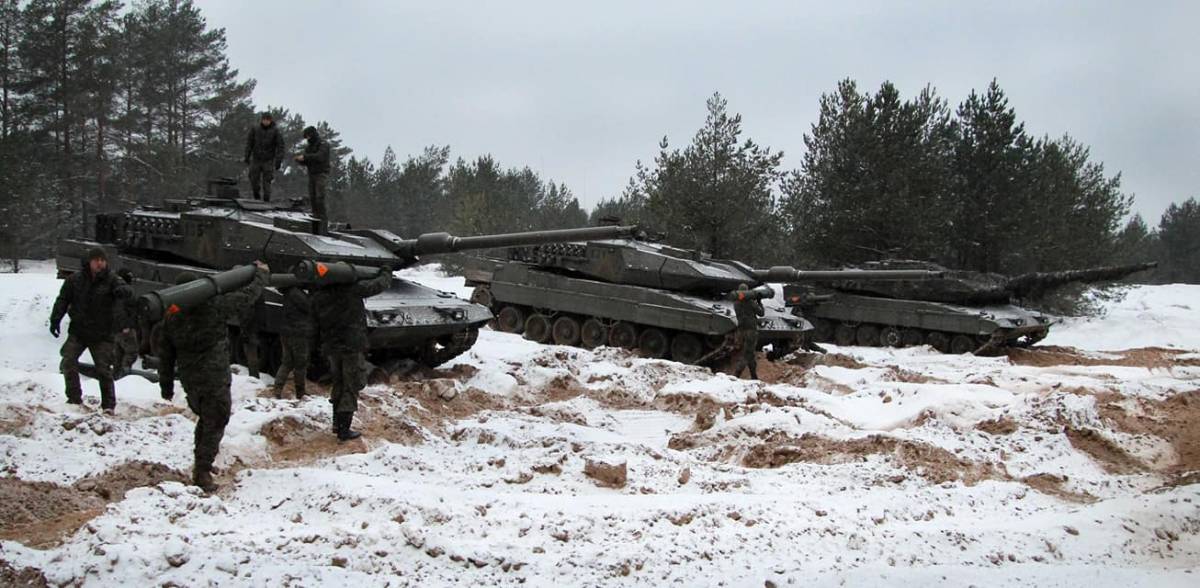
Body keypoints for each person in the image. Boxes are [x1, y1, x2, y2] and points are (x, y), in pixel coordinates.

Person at [158, 262, 269, 492]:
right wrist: (261, 277)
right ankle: (202, 469)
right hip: (213, 376)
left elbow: (165, 355)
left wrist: (166, 385)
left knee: (208, 418)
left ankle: (202, 462)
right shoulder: (212, 307)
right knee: (216, 418)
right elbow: (245, 298)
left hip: (191, 378)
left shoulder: (172, 318)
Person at [312, 266, 392, 441]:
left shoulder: (319, 296)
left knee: (339, 383)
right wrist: (386, 272)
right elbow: (377, 286)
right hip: (351, 346)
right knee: (352, 385)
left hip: (332, 347)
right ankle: (343, 430)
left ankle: (336, 423)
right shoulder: (351, 291)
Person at [49, 248, 133, 412]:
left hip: (102, 333)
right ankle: (73, 399)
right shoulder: (75, 280)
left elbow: (127, 290)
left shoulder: (112, 280)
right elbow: (63, 299)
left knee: (104, 370)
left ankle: (108, 405)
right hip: (79, 330)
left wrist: (123, 291)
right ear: (89, 261)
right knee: (68, 361)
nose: (100, 263)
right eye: (96, 260)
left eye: (103, 260)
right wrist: (55, 319)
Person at [272, 284, 312, 400]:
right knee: (300, 364)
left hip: (286, 331)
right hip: (298, 333)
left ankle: (277, 389)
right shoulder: (297, 293)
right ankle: (300, 392)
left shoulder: (287, 292)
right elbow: (309, 307)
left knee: (287, 362)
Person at [293, 125, 331, 225]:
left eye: (308, 136)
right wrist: (300, 160)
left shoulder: (323, 144)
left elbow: (320, 157)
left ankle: (323, 219)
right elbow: (308, 160)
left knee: (320, 197)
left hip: (321, 174)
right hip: (312, 174)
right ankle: (315, 215)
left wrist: (305, 157)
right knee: (312, 197)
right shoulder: (309, 147)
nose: (307, 139)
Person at [243, 112, 284, 201]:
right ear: (261, 120)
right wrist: (247, 156)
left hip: (268, 160)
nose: (265, 121)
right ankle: (257, 197)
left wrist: (278, 160)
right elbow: (249, 143)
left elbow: (280, 146)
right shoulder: (255, 129)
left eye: (267, 120)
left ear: (270, 120)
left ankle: (266, 200)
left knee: (267, 182)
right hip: (256, 159)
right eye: (264, 119)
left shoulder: (275, 131)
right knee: (254, 180)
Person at [731, 283, 764, 380]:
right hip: (751, 331)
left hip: (742, 331)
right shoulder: (750, 302)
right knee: (747, 354)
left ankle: (754, 376)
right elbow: (761, 313)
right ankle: (736, 375)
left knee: (750, 354)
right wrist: (759, 302)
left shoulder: (736, 303)